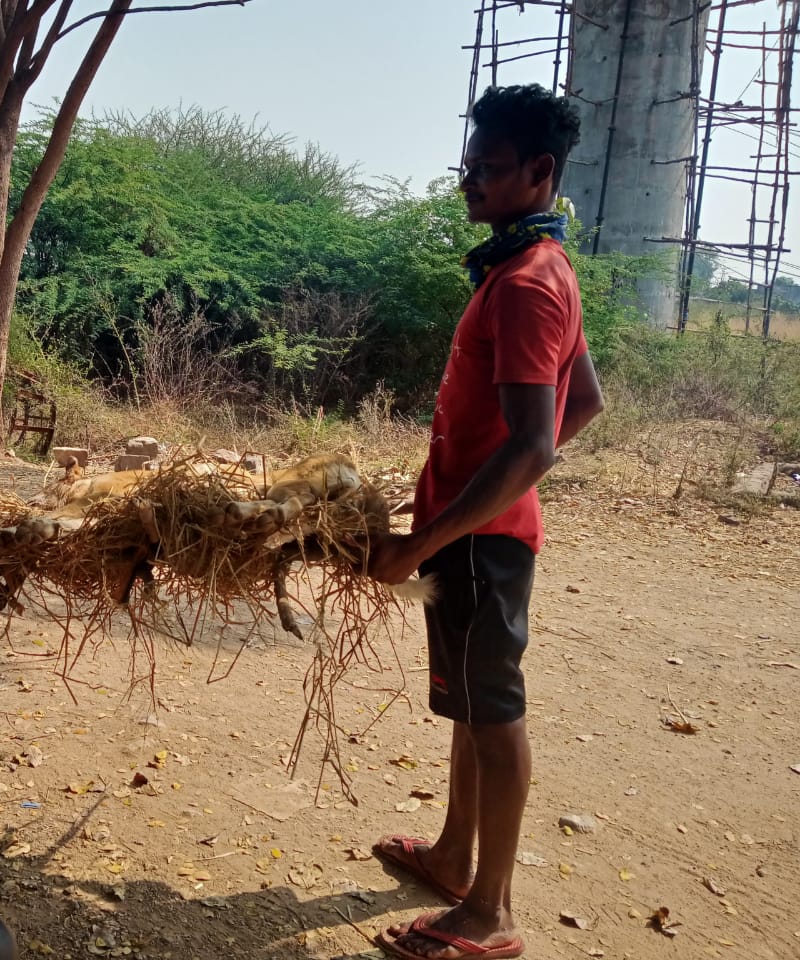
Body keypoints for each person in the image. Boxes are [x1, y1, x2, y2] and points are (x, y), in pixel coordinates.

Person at [367, 85, 605, 960]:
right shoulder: (525, 268)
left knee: (494, 712)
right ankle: (452, 858)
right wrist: (485, 474)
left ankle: (490, 914)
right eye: (467, 166)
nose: (470, 183)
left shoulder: (528, 285)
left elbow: (538, 442)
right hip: (473, 526)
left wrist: (426, 540)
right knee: (469, 703)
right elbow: (586, 399)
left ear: (541, 173)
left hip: (478, 541)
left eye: (489, 169)